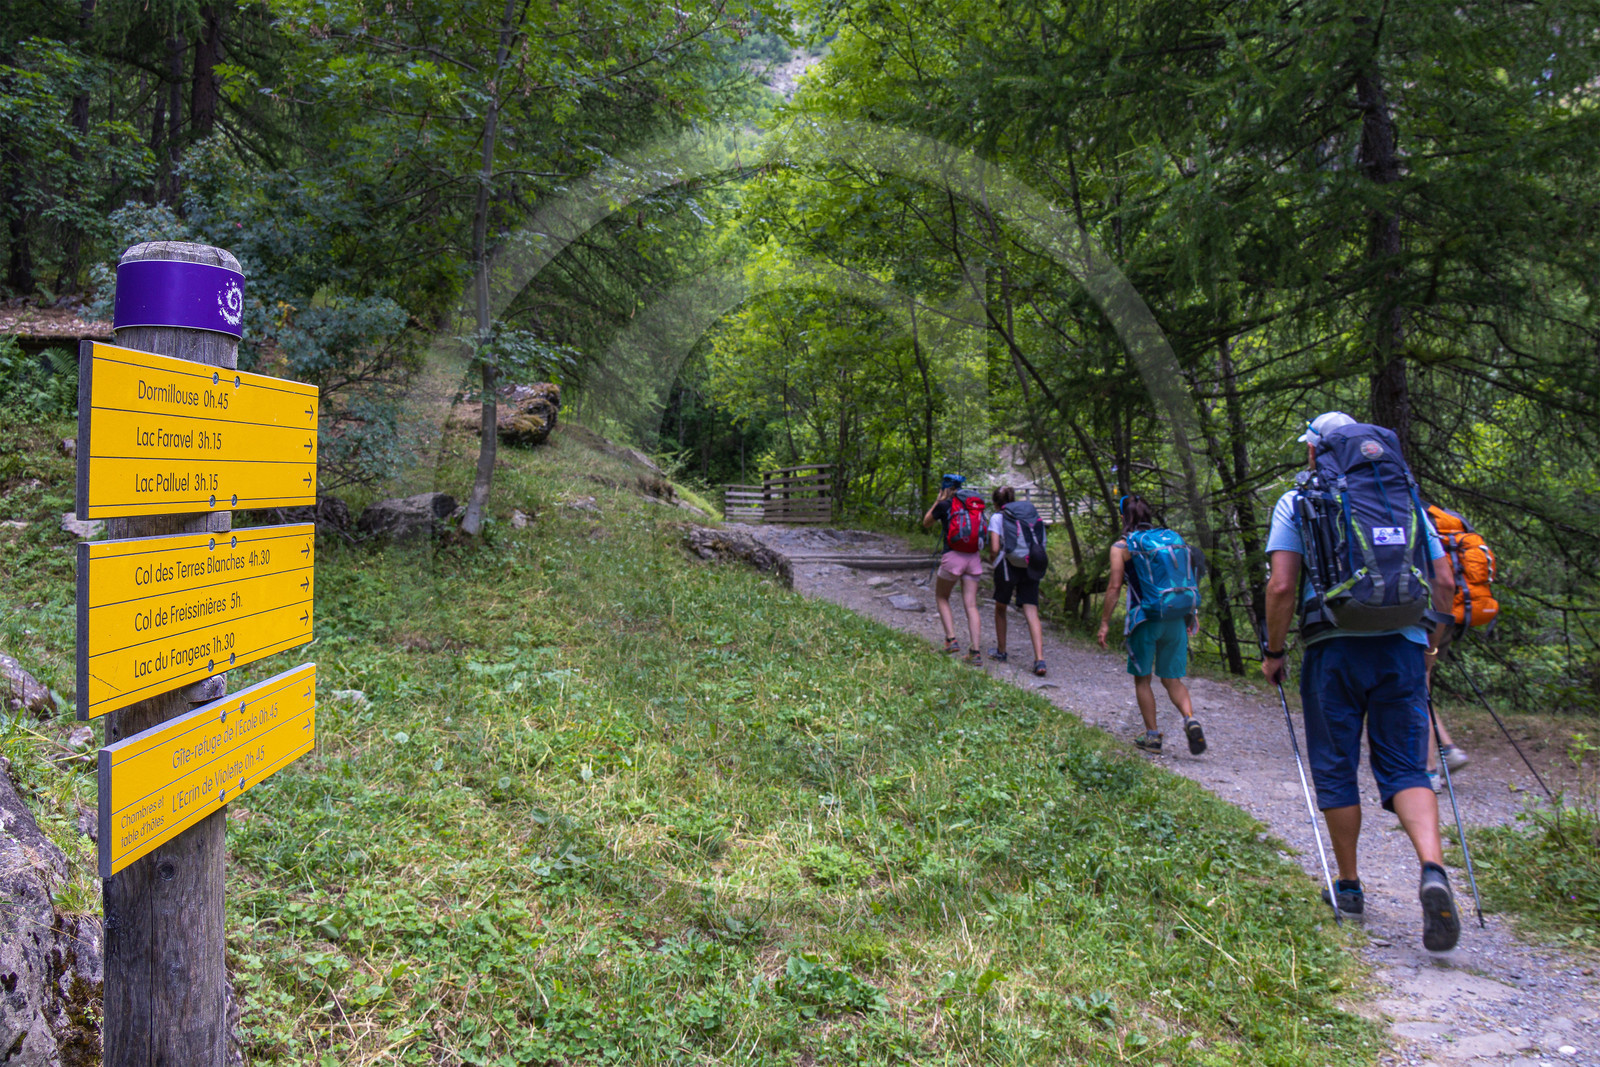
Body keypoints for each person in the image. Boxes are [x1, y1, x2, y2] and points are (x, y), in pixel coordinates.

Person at [1260, 410, 1462, 951]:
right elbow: (1443, 578)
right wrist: (1432, 645)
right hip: (1404, 645)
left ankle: (1348, 886)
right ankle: (1433, 871)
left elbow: (1281, 587)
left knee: (1335, 763)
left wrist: (1274, 651)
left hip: (1334, 647)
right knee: (1405, 766)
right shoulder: (1408, 497)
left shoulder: (1298, 501)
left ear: (1316, 450)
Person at [1096, 495, 1207, 756]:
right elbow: (1184, 577)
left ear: (1124, 517)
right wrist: (1192, 613)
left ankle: (1153, 736)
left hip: (1144, 619)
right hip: (1176, 618)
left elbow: (1114, 587)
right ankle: (1190, 718)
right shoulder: (1170, 539)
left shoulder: (1121, 547)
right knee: (1172, 679)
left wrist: (1104, 623)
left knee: (1143, 679)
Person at [922, 474, 984, 665]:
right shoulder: (973, 504)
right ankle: (975, 651)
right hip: (973, 558)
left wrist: (937, 500)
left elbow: (926, 523)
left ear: (945, 488)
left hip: (953, 558)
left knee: (942, 597)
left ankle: (951, 640)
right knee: (971, 605)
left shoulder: (944, 505)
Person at [986, 486, 1047, 676]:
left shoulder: (998, 517)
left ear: (996, 502)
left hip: (1007, 565)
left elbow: (995, 547)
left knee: (1001, 608)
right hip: (1030, 564)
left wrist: (991, 559)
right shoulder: (1028, 514)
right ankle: (1039, 659)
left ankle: (1002, 651)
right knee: (1031, 610)